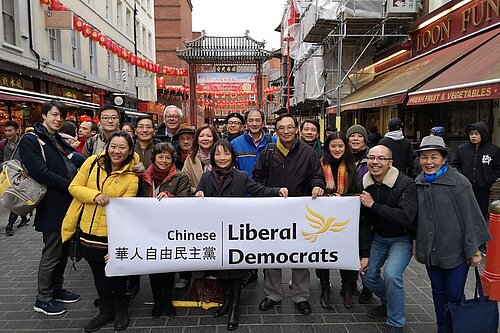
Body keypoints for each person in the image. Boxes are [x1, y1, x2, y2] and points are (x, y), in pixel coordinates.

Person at [195, 140, 288, 330]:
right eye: (218, 154)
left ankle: (234, 308)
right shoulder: (205, 178)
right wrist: (197, 195)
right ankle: (226, 302)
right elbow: (196, 196)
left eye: (226, 154)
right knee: (219, 268)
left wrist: (277, 191)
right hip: (215, 232)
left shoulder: (241, 176)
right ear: (213, 157)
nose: (222, 158)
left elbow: (259, 190)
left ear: (233, 157)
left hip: (236, 232)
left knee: (235, 271)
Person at [61, 131, 140, 332]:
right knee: (98, 273)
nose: (117, 151)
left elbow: (126, 211)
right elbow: (74, 187)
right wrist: (94, 195)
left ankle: (121, 309)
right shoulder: (91, 163)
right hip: (88, 230)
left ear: (130, 150)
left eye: (123, 147)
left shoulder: (132, 177)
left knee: (118, 273)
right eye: (113, 146)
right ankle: (105, 310)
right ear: (107, 147)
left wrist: (119, 242)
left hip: (113, 235)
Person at [414, 135, 492, 333]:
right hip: (432, 252)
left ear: (443, 158)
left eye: (434, 157)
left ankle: (456, 328)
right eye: (424, 157)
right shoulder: (419, 182)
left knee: (454, 295)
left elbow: (471, 216)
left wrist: (474, 248)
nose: (428, 162)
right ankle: (443, 328)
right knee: (438, 293)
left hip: (456, 252)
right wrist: (417, 243)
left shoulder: (459, 182)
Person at [253, 113, 325, 316]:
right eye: (281, 128)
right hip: (273, 211)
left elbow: (317, 175)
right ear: (276, 131)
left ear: (296, 129)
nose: (286, 131)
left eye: (289, 127)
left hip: (300, 212)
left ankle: (301, 295)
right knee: (273, 253)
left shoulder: (308, 153)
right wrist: (270, 192)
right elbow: (257, 179)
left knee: (300, 254)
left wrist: (318, 186)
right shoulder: (267, 152)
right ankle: (272, 293)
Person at [18, 101, 81, 316]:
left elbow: (75, 159)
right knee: (52, 251)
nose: (58, 120)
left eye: (61, 117)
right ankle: (43, 298)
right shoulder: (31, 140)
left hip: (66, 203)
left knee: (64, 250)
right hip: (51, 204)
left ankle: (57, 289)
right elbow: (40, 172)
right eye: (54, 115)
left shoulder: (55, 139)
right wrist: (72, 187)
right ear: (43, 115)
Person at [359, 145, 418, 333]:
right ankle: (389, 302)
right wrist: (365, 254)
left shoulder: (406, 184)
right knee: (367, 275)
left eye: (381, 158)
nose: (375, 162)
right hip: (379, 237)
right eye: (371, 157)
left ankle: (396, 323)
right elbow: (365, 221)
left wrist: (373, 205)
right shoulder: (365, 183)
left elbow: (406, 217)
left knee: (392, 276)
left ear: (390, 163)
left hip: (402, 238)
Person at [139, 142, 191, 318]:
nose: (164, 160)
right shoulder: (143, 177)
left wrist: (171, 197)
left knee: (168, 265)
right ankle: (157, 301)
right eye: (160, 157)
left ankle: (167, 300)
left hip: (170, 229)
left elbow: (185, 200)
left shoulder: (180, 177)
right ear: (153, 158)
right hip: (148, 228)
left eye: (168, 157)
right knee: (153, 265)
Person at [318, 132, 359, 309]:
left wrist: (343, 197)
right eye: (333, 146)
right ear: (328, 147)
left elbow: (357, 189)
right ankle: (325, 286)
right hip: (323, 217)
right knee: (322, 253)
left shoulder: (351, 166)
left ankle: (347, 287)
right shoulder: (320, 165)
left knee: (346, 252)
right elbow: (314, 183)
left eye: (340, 146)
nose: (337, 149)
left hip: (345, 217)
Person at [345, 124, 373, 303]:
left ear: (365, 139)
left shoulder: (372, 157)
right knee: (349, 248)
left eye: (359, 136)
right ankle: (350, 282)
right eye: (352, 136)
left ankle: (368, 285)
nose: (355, 139)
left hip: (367, 210)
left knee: (365, 248)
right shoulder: (342, 158)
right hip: (346, 211)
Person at [451, 121, 500, 220]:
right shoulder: (462, 149)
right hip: (464, 188)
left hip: (483, 189)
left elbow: (498, 168)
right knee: (464, 214)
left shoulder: (493, 150)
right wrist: (461, 178)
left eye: (476, 134)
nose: (473, 136)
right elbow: (455, 165)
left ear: (483, 134)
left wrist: (488, 180)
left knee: (480, 215)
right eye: (471, 134)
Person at [1, 121, 29, 236]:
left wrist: (26, 170)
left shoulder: (24, 143)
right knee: (14, 198)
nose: (7, 133)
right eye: (6, 131)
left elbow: (29, 157)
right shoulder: (2, 144)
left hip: (22, 175)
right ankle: (23, 217)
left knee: (14, 198)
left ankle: (9, 225)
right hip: (8, 175)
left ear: (17, 130)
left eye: (10, 130)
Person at [231, 109, 275, 178]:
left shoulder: (274, 141)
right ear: (246, 123)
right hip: (244, 186)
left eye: (257, 120)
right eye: (251, 120)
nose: (254, 124)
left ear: (263, 123)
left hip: (268, 187)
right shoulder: (235, 144)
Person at [182, 124, 219, 193]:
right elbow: (184, 183)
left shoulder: (220, 157)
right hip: (197, 200)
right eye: (201, 136)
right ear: (197, 139)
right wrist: (197, 191)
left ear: (214, 138)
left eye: (209, 136)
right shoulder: (190, 158)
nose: (205, 138)